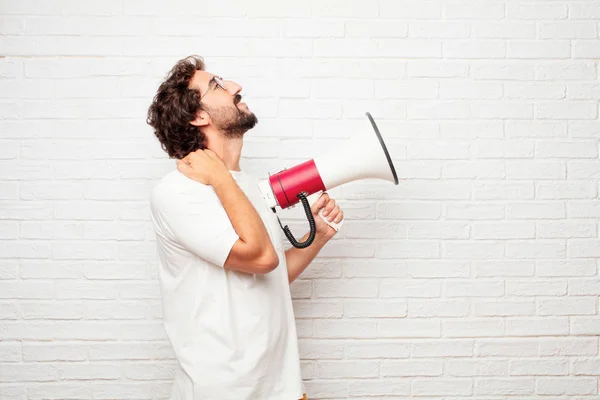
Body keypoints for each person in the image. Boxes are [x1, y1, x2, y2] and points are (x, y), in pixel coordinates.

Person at [146, 55, 344, 400]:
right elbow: (261, 257)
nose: (235, 87)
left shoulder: (248, 185)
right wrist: (221, 177)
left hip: (280, 386)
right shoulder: (177, 192)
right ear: (198, 116)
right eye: (217, 85)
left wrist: (319, 237)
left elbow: (270, 274)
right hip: (223, 391)